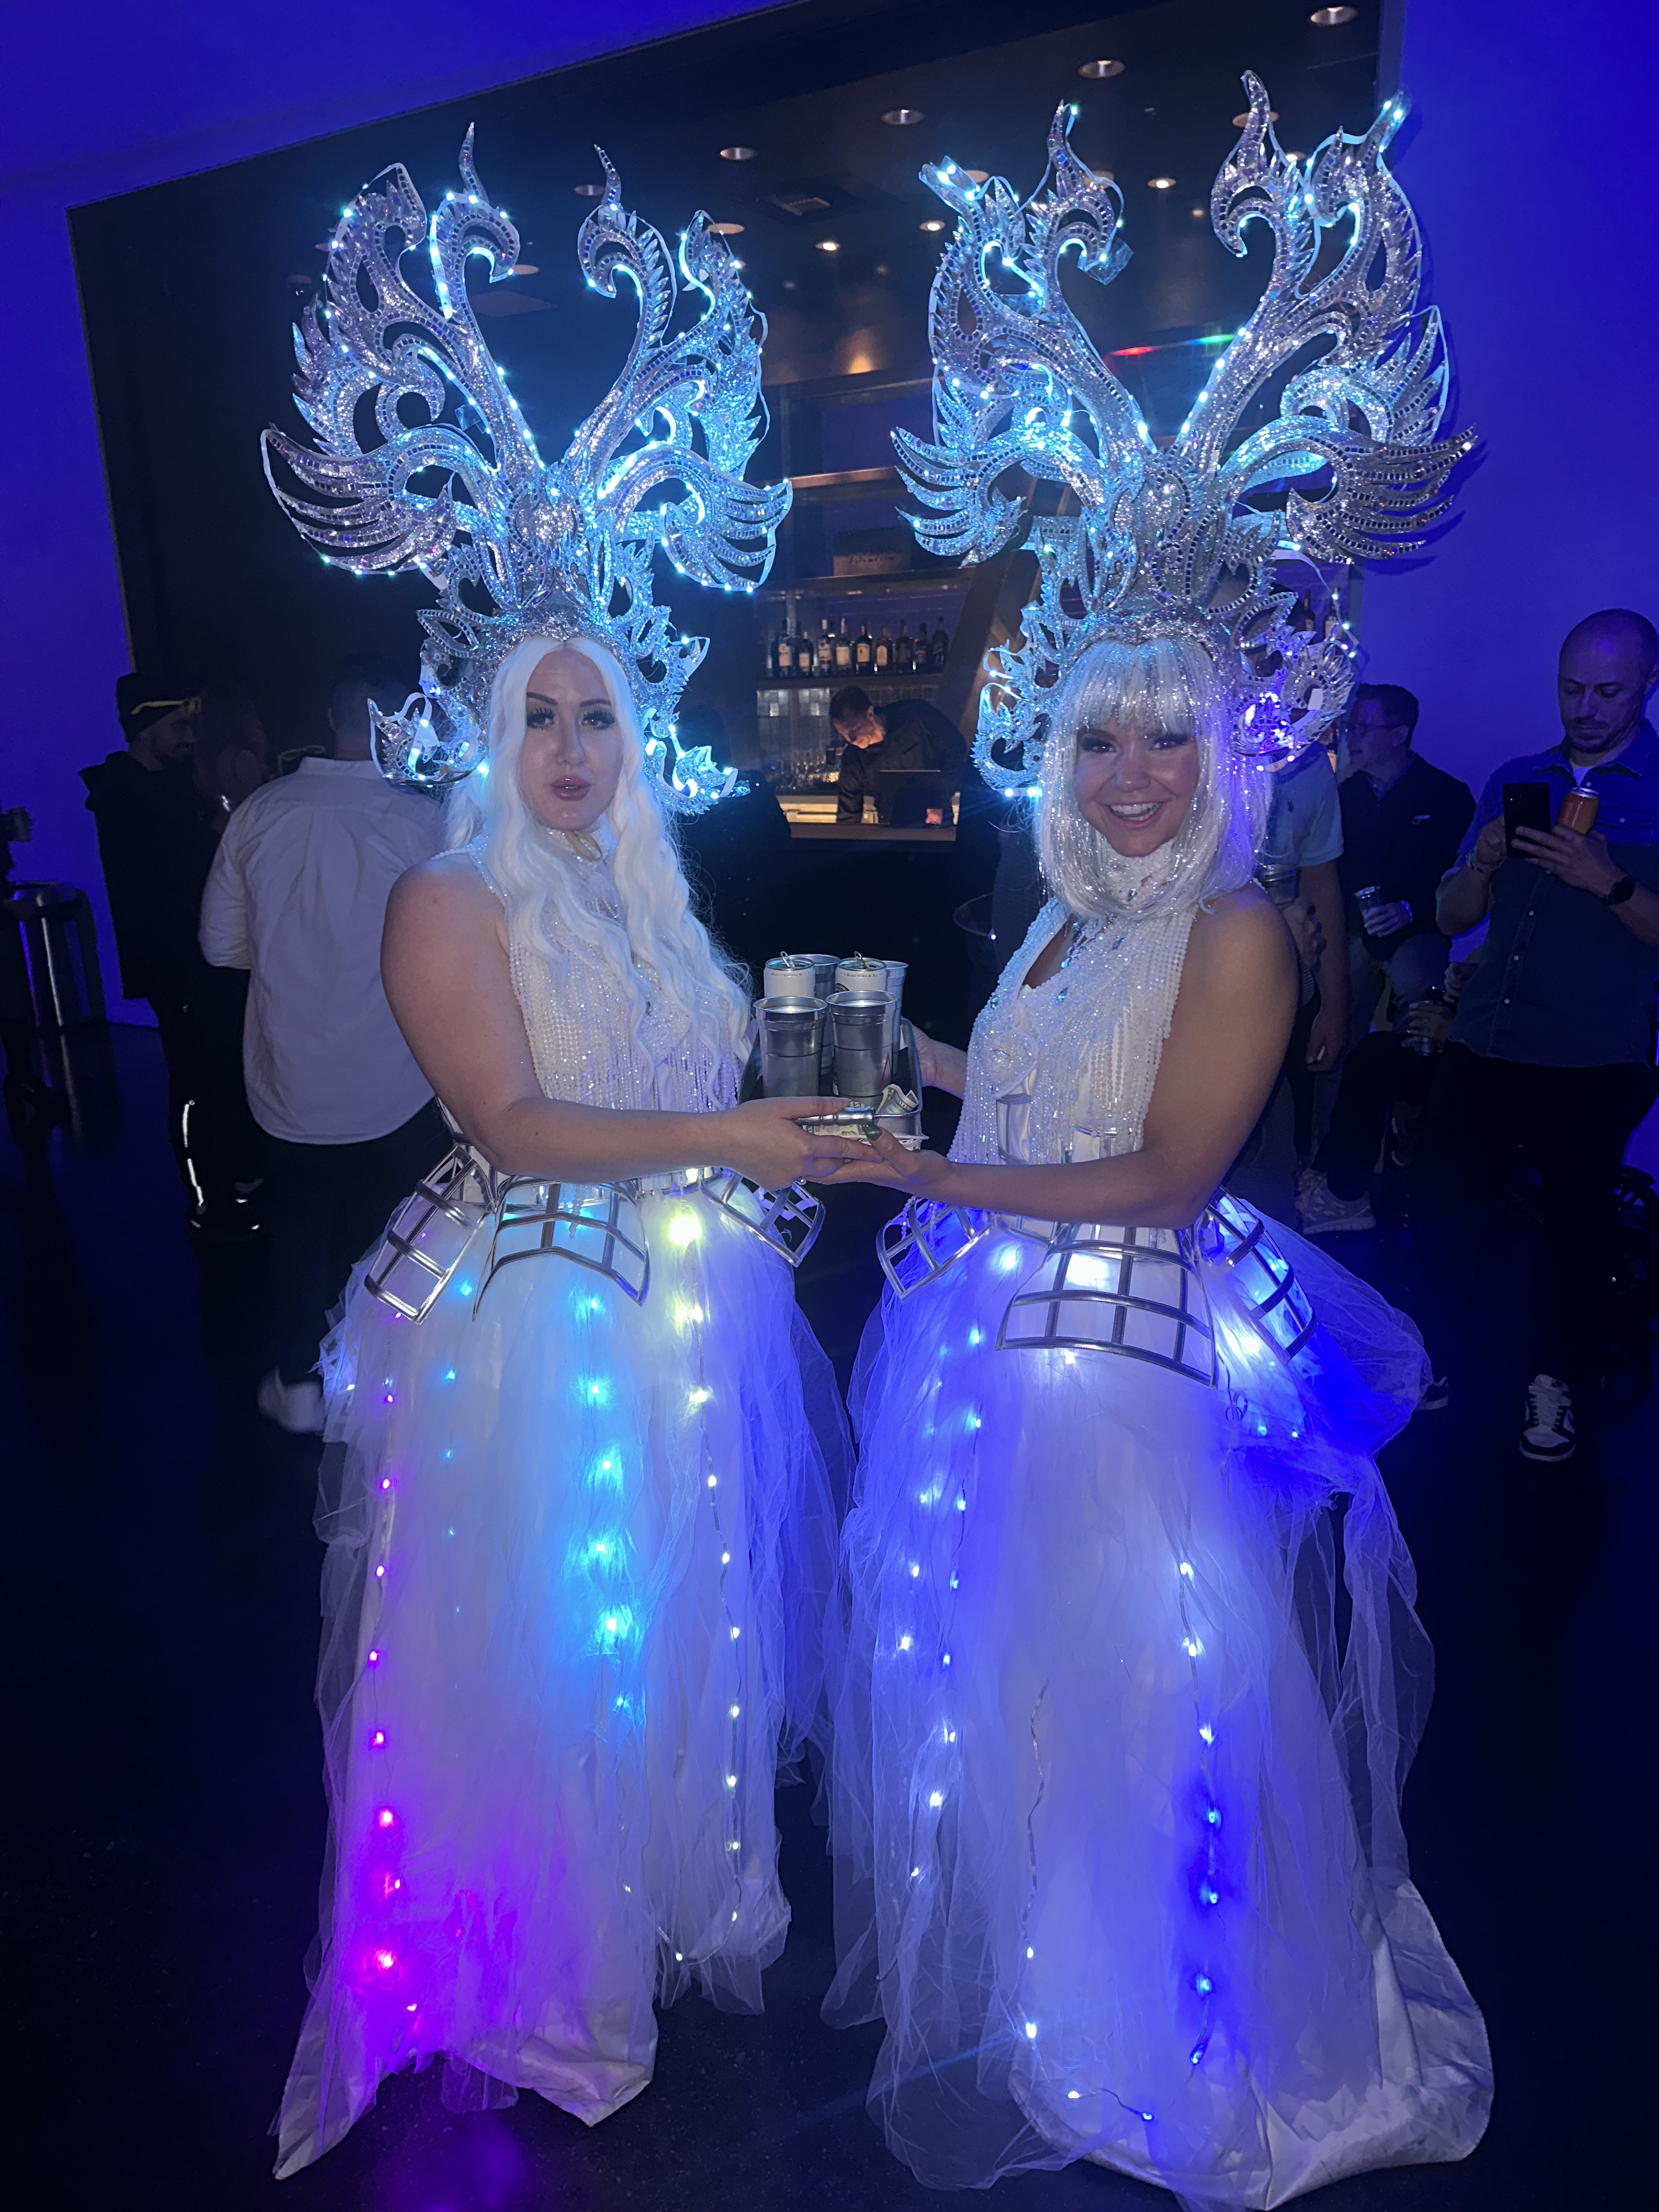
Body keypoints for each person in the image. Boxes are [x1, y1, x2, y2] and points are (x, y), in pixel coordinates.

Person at [816, 94, 1488, 2205]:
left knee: (1138, 1702)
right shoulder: (1066, 914)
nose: (1124, 774)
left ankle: (1181, 2043)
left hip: (1117, 1363)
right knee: (1012, 1699)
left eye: (1165, 738)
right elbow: (1024, 1094)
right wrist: (880, 1051)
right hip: (994, 1344)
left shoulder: (1230, 929)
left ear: (1227, 745)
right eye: (1094, 735)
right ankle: (1065, 1993)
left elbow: (1156, 1178)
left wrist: (908, 1178)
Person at [262, 146, 859, 2174]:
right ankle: (539, 1980)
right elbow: (517, 1124)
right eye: (537, 721)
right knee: (551, 1655)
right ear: (479, 734)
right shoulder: (448, 898)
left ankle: (672, 1903)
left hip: (688, 1296)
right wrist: (730, 1129)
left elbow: (717, 1051)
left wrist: (886, 1063)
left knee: (689, 1636)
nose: (576, 752)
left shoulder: (646, 899)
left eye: (599, 714)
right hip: (540, 1320)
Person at [1427, 607, 1659, 1462]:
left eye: (1607, 690)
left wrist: (1611, 885)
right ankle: (1436, 1360)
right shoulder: (1516, 776)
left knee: (1573, 1233)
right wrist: (1481, 864)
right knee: (1448, 1212)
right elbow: (1452, 916)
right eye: (1570, 688)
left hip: (1591, 1053)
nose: (1586, 707)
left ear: (1646, 684)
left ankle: (1552, 1382)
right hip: (1486, 1035)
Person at [198, 653, 449, 1432]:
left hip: (289, 1075)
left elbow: (220, 949)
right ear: (395, 725)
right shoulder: (424, 822)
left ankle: (302, 1388)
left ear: (331, 720)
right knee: (403, 1234)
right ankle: (405, 1388)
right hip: (397, 1075)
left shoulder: (260, 813)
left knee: (301, 1230)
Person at [81, 672, 263, 1237]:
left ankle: (239, 1176)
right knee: (192, 1078)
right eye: (177, 725)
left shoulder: (178, 785)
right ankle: (206, 1195)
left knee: (225, 1066)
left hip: (206, 953)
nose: (191, 735)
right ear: (143, 727)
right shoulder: (122, 794)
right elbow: (163, 879)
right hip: (170, 959)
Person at [1337, 683, 1474, 1036]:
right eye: (1350, 727)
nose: (1352, 737)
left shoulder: (1447, 795)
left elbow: (1463, 875)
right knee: (1335, 1024)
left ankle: (1407, 1086)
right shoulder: (1342, 797)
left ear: (1399, 735)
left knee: (1420, 1020)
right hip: (1354, 930)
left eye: (1363, 728)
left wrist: (1411, 908)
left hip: (1418, 930)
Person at [831, 685, 968, 826]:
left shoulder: (917, 716)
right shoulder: (853, 758)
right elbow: (848, 816)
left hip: (937, 824)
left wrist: (940, 800)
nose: (851, 739)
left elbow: (956, 748)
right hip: (889, 831)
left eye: (854, 729)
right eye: (844, 734)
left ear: (870, 713)